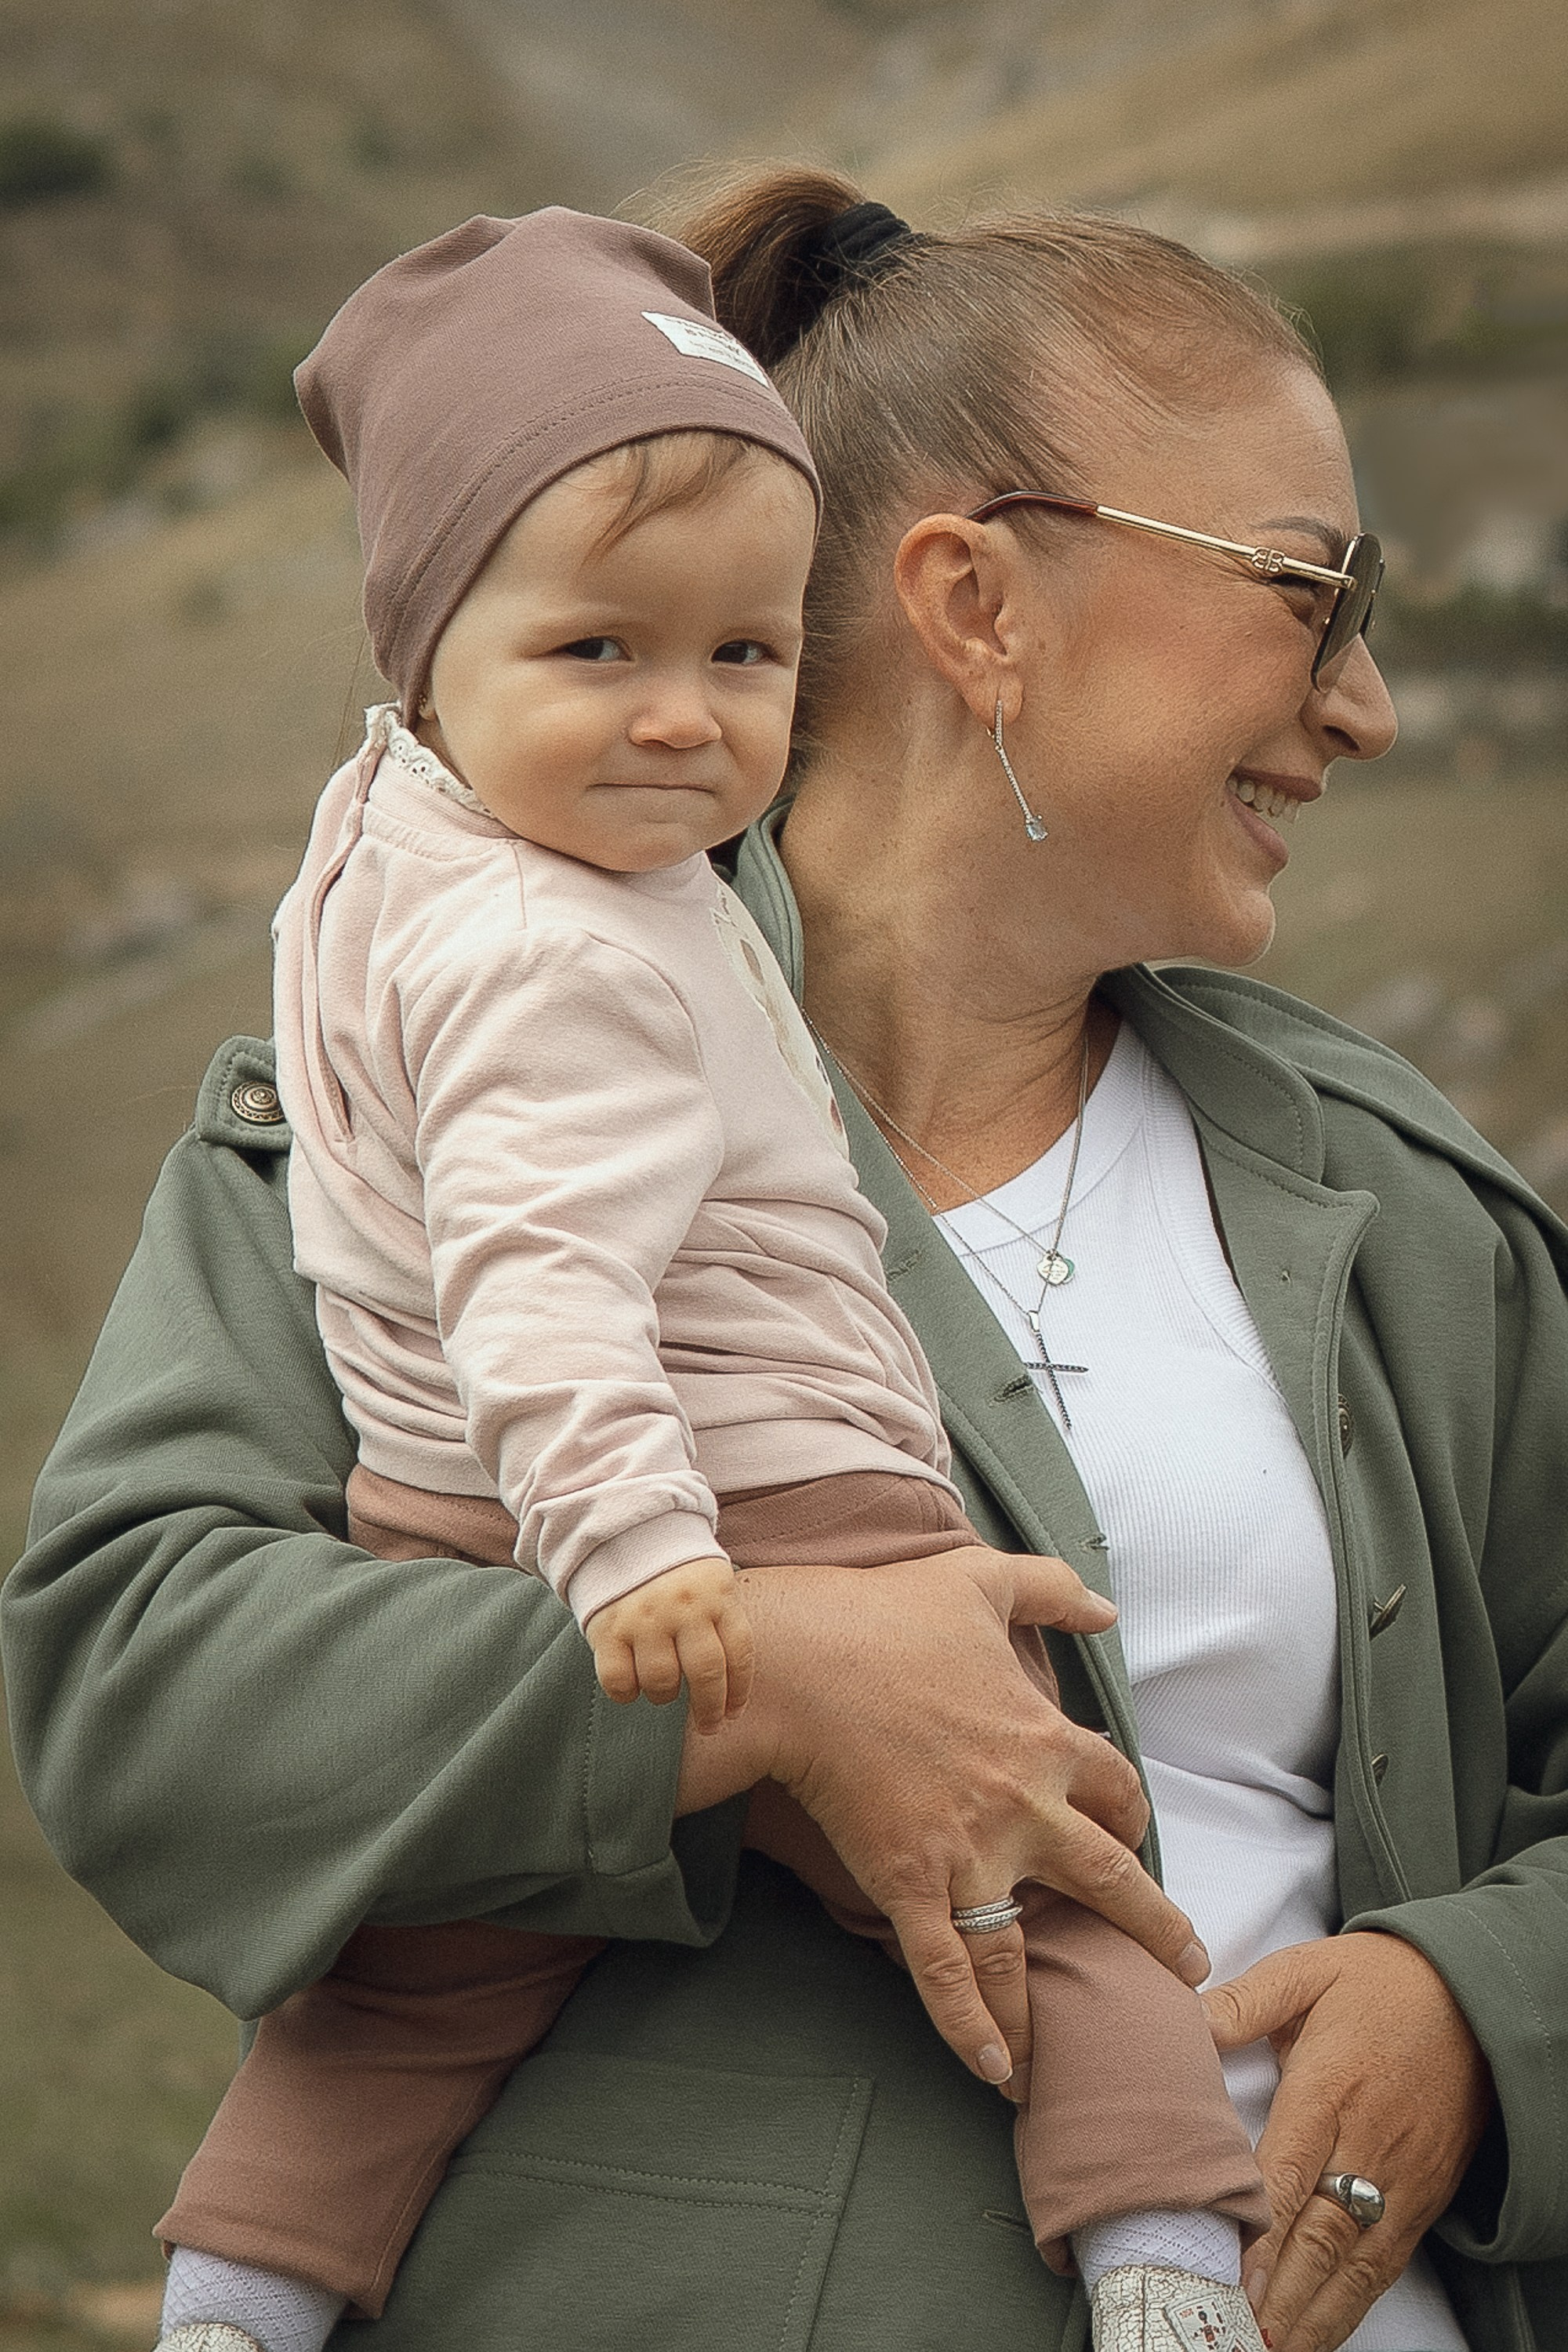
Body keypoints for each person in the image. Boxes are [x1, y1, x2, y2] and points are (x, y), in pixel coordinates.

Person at [6, 165, 1567, 2352]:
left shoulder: (1410, 1214)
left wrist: (1476, 2005)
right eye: (1315, 593)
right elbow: (136, 1684)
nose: (1371, 699)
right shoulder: (404, 1087)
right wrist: (751, 1694)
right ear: (976, 602)